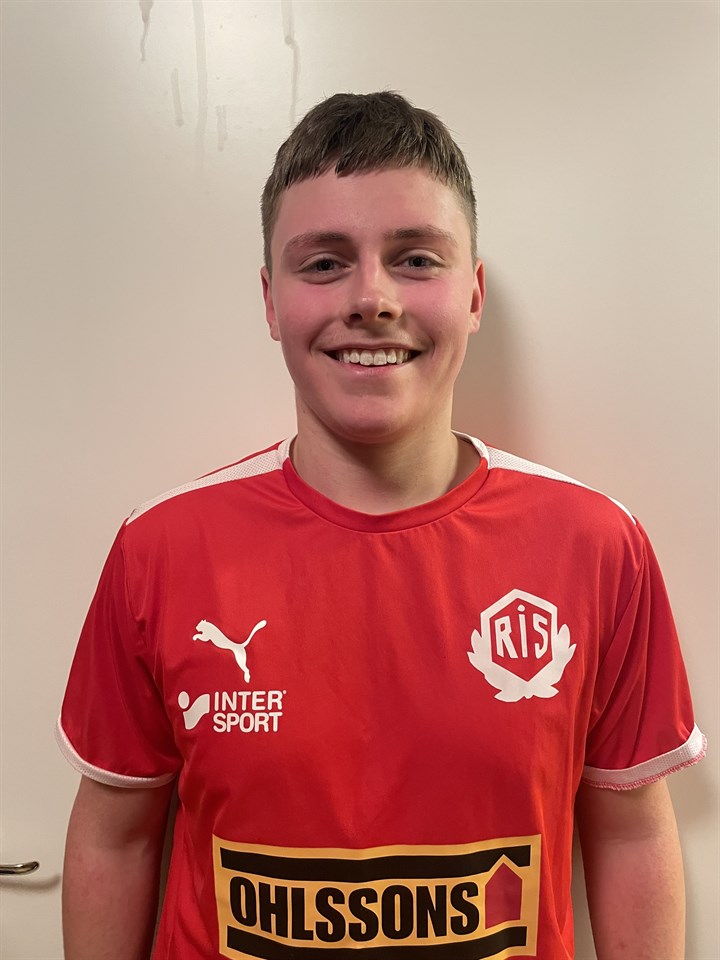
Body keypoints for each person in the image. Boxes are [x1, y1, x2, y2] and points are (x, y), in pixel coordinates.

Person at [58, 91, 706, 960]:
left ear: (473, 294)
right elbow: (116, 835)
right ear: (270, 300)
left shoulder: (597, 546)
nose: (371, 298)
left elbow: (629, 832)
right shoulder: (161, 548)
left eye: (416, 259)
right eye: (324, 263)